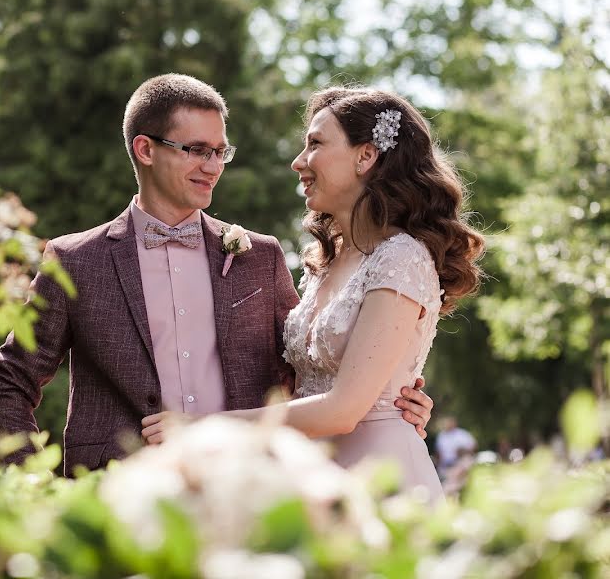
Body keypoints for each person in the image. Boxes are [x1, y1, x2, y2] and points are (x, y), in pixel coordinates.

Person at [0, 75, 434, 476]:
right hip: (118, 489)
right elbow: (10, 382)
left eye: (220, 152)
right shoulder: (75, 260)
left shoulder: (260, 256)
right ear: (146, 149)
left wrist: (391, 399)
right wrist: (30, 485)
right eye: (198, 151)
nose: (213, 166)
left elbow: (307, 370)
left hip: (246, 492)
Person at [143, 86, 484, 503]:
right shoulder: (325, 261)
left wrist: (205, 427)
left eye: (315, 144)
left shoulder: (402, 258)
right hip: (316, 480)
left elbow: (343, 410)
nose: (298, 162)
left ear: (366, 156)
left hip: (383, 481)